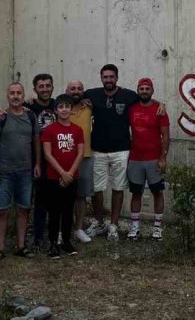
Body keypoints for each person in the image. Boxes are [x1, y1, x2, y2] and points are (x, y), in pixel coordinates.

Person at [83, 65, 140, 241]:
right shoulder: (91, 94)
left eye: (111, 77)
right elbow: (69, 99)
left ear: (117, 78)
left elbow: (146, 99)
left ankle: (114, 225)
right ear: (101, 78)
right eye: (105, 77)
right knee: (97, 189)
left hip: (121, 150)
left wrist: (161, 105)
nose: (108, 80)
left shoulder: (129, 95)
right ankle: (99, 221)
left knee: (118, 187)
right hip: (98, 149)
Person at [0, 82, 40, 260]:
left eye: (19, 93)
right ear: (7, 95)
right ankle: (0, 248)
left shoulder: (31, 116)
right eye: (12, 93)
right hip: (4, 173)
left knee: (23, 209)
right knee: (2, 210)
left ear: (24, 95)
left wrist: (38, 164)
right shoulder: (0, 117)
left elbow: (36, 143)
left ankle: (21, 246)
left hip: (25, 172)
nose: (16, 96)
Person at [40, 94, 85, 259]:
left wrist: (70, 174)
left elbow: (80, 153)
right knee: (54, 212)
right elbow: (47, 154)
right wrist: (62, 173)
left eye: (67, 106)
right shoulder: (49, 130)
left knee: (68, 211)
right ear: (56, 110)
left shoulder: (77, 130)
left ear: (72, 110)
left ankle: (66, 241)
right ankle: (53, 243)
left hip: (72, 177)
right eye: (61, 107)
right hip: (54, 178)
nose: (64, 109)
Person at [127, 78, 171, 241]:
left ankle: (158, 228)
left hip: (154, 159)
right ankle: (135, 227)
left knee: (157, 192)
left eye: (147, 88)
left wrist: (163, 158)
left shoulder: (159, 110)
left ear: (152, 91)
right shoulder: (131, 108)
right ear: (137, 90)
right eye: (141, 88)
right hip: (135, 159)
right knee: (136, 193)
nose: (144, 91)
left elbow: (165, 136)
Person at [27, 73, 57, 250]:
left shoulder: (58, 104)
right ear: (35, 89)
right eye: (41, 86)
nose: (45, 89)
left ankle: (53, 234)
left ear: (52, 87)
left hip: (55, 160)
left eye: (48, 85)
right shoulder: (28, 106)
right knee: (36, 200)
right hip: (33, 159)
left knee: (53, 200)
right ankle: (36, 235)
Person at [66, 80, 94, 244]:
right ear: (66, 91)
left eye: (79, 89)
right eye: (72, 89)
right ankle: (64, 229)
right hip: (64, 158)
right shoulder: (60, 107)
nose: (76, 91)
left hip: (85, 156)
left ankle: (78, 229)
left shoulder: (89, 107)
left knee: (81, 196)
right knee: (64, 195)